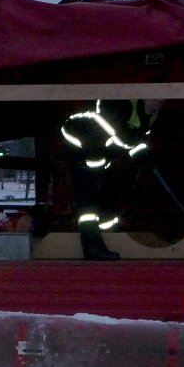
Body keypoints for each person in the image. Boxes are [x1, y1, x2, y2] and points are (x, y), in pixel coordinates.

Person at [60, 99, 150, 260]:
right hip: (79, 164)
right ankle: (93, 248)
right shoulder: (96, 130)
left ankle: (102, 239)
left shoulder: (102, 124)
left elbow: (125, 141)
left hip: (83, 161)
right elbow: (97, 161)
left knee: (95, 201)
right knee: (88, 209)